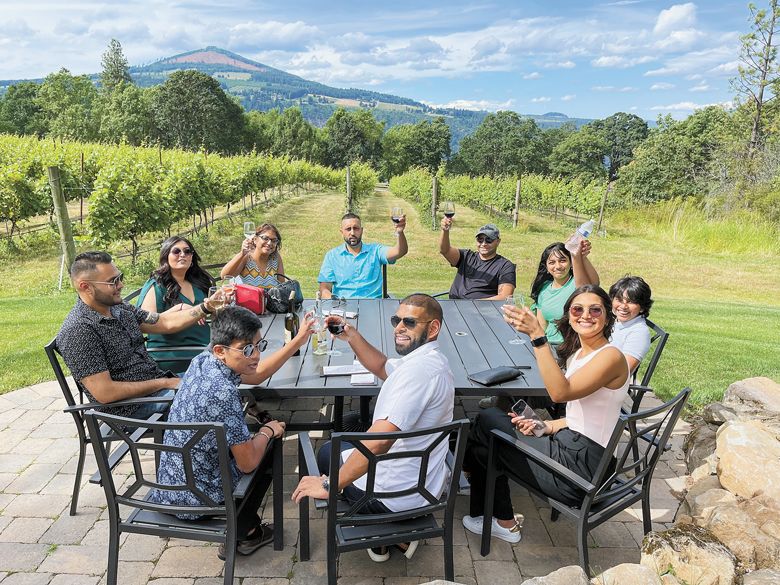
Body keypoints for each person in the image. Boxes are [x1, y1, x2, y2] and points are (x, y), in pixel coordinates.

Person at [292, 294, 454, 562]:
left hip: (395, 496)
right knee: (340, 449)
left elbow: (378, 443)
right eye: (396, 320)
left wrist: (330, 484)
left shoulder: (417, 375)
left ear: (433, 328)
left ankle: (380, 531)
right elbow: (381, 366)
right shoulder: (432, 361)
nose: (399, 327)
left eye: (409, 322)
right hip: (425, 484)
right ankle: (397, 536)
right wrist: (352, 335)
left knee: (327, 454)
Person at [462, 284, 630, 544]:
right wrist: (547, 425)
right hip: (575, 449)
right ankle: (502, 519)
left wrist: (537, 337)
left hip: (582, 473)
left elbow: (559, 394)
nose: (586, 315)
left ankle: (467, 471)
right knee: (488, 441)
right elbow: (587, 413)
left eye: (595, 310)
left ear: (608, 316)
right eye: (578, 309)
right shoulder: (582, 354)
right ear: (569, 314)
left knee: (488, 419)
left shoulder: (611, 357)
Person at [150, 305, 314, 560]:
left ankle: (246, 526)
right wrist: (267, 431)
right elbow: (247, 463)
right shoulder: (223, 393)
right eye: (247, 349)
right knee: (269, 448)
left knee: (251, 441)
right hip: (197, 499)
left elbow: (257, 374)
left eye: (259, 345)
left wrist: (298, 340)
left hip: (171, 486)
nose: (256, 355)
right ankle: (245, 531)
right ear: (221, 350)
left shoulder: (203, 361)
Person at [56, 251, 221, 420]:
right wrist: (165, 383)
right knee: (215, 401)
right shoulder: (78, 330)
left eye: (120, 277)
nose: (121, 285)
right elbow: (105, 393)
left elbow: (162, 322)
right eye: (113, 281)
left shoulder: (119, 308)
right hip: (128, 409)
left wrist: (205, 308)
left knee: (223, 378)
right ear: (85, 287)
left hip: (158, 388)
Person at [137, 236, 216, 372]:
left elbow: (213, 314)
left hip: (205, 348)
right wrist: (179, 308)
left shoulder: (199, 283)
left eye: (187, 251)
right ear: (166, 256)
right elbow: (143, 323)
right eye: (176, 251)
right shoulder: (156, 285)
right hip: (174, 354)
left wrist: (221, 305)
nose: (182, 255)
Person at [317, 212, 408, 299]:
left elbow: (399, 251)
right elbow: (324, 289)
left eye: (356, 228)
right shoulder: (332, 256)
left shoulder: (375, 251)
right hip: (343, 307)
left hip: (373, 306)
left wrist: (400, 232)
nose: (352, 233)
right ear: (342, 232)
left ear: (362, 230)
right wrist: (335, 303)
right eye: (348, 229)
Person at [530, 240, 600, 346]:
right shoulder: (543, 289)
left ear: (571, 263)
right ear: (547, 267)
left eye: (562, 261)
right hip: (549, 344)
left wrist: (581, 257)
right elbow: (542, 324)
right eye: (552, 262)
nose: (558, 266)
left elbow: (587, 289)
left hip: (573, 346)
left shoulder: (577, 283)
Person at [438, 221, 516, 300]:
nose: (483, 244)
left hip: (482, 310)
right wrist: (445, 230)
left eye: (489, 240)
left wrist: (473, 304)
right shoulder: (466, 256)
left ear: (498, 242)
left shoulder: (505, 266)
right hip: (454, 305)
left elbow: (504, 297)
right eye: (480, 240)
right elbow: (445, 251)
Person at [609, 276, 653, 375]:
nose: (623, 306)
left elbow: (622, 372)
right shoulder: (615, 322)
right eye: (619, 300)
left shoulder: (639, 333)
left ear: (642, 307)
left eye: (631, 302)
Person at [221, 223, 286, 288]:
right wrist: (241, 254)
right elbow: (224, 276)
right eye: (265, 238)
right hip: (247, 297)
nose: (269, 243)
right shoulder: (247, 257)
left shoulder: (276, 258)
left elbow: (282, 285)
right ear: (255, 239)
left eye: (274, 240)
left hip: (270, 298)